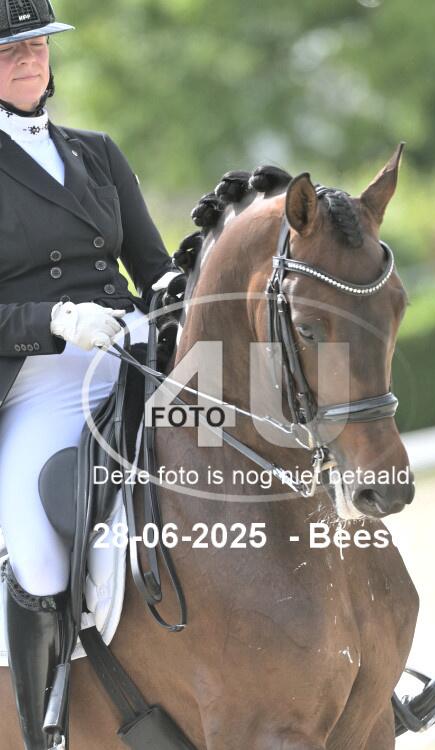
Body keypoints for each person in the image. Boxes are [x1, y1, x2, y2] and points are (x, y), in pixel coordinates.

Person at [0, 2, 177, 748]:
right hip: (41, 381)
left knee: (259, 455)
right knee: (38, 553)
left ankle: (365, 667)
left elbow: (155, 269)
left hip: (134, 356)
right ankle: (44, 731)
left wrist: (181, 292)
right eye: (9, 49)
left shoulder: (96, 152)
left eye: (37, 44)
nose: (29, 58)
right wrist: (56, 320)